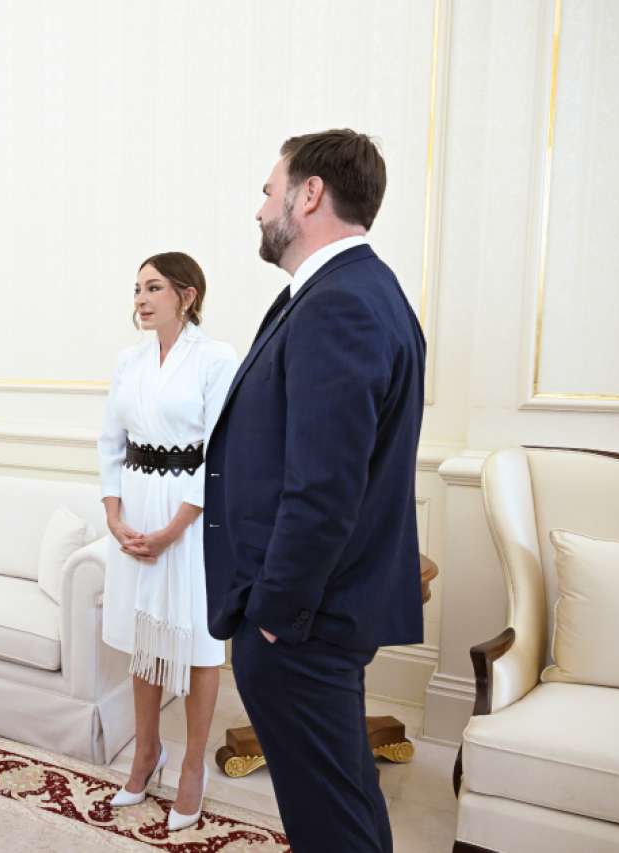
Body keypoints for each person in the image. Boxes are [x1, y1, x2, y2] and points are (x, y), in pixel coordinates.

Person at [203, 129, 426, 853]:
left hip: (302, 624)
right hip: (316, 616)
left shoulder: (341, 303)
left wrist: (273, 615)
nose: (259, 208)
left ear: (309, 194)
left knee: (329, 818)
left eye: (269, 191)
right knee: (342, 798)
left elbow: (324, 487)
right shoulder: (351, 291)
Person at [97, 252, 238, 832]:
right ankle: (146, 752)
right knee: (143, 640)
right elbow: (110, 441)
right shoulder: (128, 361)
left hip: (190, 518)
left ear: (187, 295)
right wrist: (114, 514)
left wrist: (174, 530)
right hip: (135, 510)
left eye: (153, 287)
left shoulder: (216, 359)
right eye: (137, 288)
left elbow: (221, 450)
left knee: (199, 643)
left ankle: (192, 767)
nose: (141, 298)